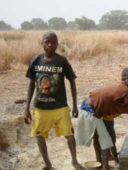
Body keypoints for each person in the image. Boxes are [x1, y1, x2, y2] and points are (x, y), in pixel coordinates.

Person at [24, 31, 84, 170]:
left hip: (60, 106)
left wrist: (75, 106)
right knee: (39, 136)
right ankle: (47, 164)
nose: (50, 45)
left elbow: (72, 82)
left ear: (57, 44)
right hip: (40, 107)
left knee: (69, 134)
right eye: (47, 42)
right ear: (42, 43)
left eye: (53, 42)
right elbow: (32, 84)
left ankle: (74, 161)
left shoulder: (62, 61)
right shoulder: (36, 60)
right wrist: (26, 108)